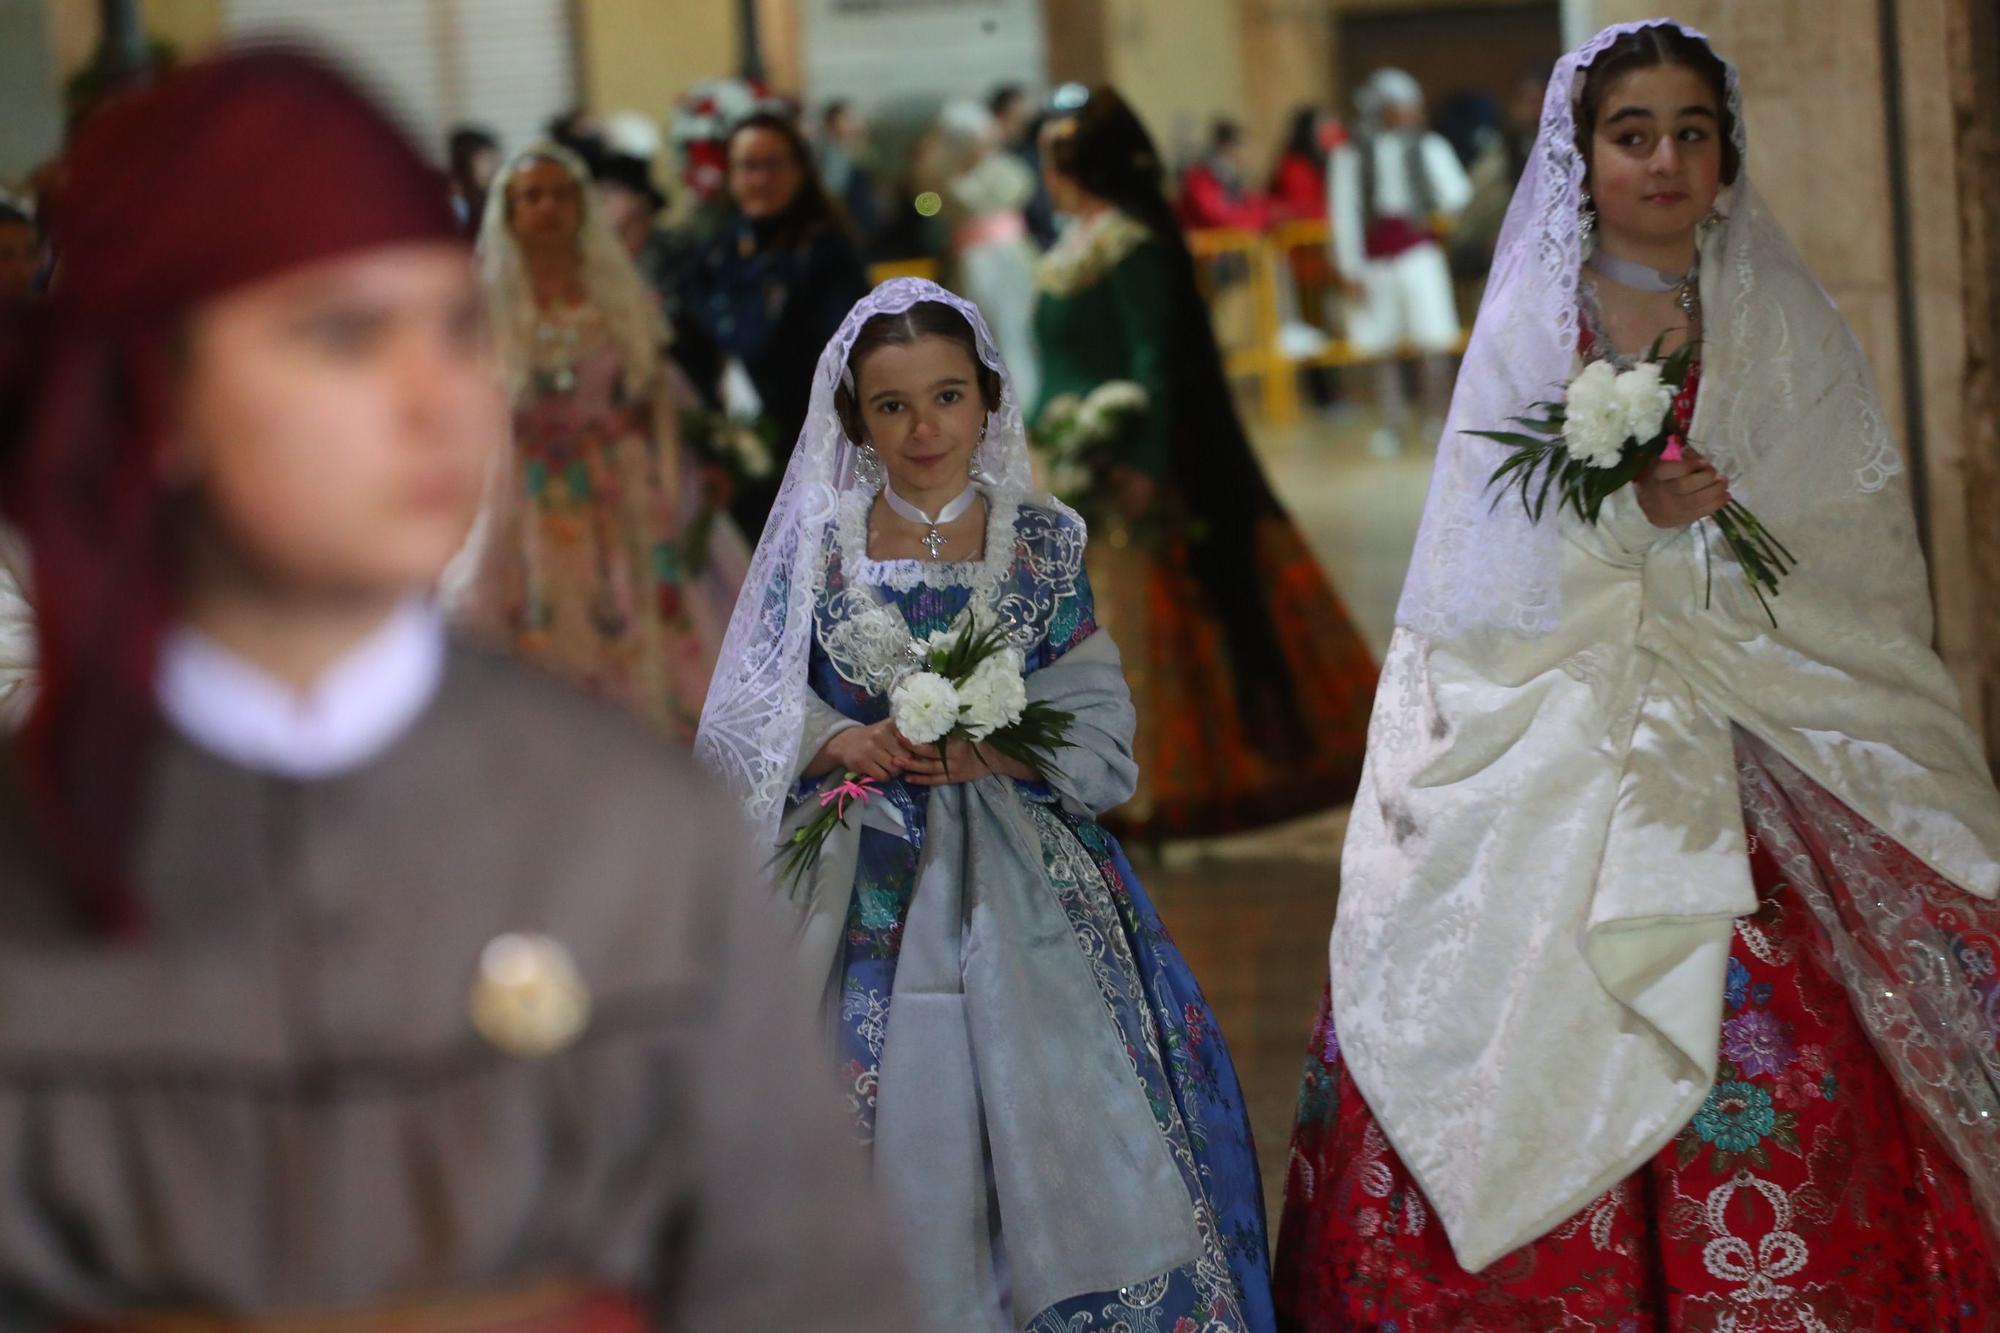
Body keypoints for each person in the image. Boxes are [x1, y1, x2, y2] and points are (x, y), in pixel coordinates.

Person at [0, 45, 912, 1330]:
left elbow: (803, 1289)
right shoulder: (33, 862)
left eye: (454, 331)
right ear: (160, 393)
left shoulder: (637, 830)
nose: (439, 403)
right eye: (344, 334)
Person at [1274, 22, 2000, 1328]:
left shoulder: (1778, 316)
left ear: (1725, 154)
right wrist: (1624, 523)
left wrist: (1718, 556)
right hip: (1574, 697)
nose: (1663, 160)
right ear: (1583, 154)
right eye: (1632, 135)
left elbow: (1846, 538)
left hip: (1769, 691)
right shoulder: (1532, 322)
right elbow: (1485, 564)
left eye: (1690, 132)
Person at [695, 277, 1275, 1332]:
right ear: (853, 419)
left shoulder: (1044, 539)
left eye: (948, 396)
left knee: (1055, 1086)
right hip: (861, 853)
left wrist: (996, 748)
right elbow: (752, 699)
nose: (925, 429)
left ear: (986, 399)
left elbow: (1092, 706)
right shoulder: (821, 544)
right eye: (893, 405)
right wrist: (842, 737)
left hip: (1022, 864)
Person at [1033, 88, 1376, 840]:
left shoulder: (1129, 243)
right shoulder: (1070, 245)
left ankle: (1156, 787)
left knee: (1149, 629)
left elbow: (1155, 358)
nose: (1048, 171)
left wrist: (1142, 456)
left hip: (1131, 469)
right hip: (1070, 461)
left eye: (1058, 156)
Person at [459, 143, 746, 743]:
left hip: (621, 482)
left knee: (639, 604)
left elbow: (659, 390)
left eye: (562, 195)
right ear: (508, 212)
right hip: (531, 489)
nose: (548, 209)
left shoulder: (617, 297)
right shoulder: (486, 308)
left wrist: (704, 453)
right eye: (531, 196)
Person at [676, 111, 869, 538]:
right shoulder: (715, 254)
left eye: (774, 164)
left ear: (800, 170)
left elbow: (849, 353)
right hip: (730, 457)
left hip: (810, 452)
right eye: (748, 166)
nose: (761, 178)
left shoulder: (825, 252)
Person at [1329, 68, 1473, 457]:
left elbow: (1458, 194)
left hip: (1418, 253)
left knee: (1433, 340)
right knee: (1382, 345)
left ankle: (1436, 420)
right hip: (1376, 260)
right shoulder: (1351, 154)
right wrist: (1349, 267)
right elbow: (1344, 213)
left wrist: (1439, 211)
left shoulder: (1429, 147)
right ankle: (1390, 425)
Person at [935, 98, 1041, 407]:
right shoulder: (953, 178)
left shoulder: (1003, 173)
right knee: (982, 336)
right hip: (975, 262)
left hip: (1004, 259)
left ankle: (1022, 404)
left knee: (1013, 331)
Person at [1452, 63, 1552, 285]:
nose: (1536, 112)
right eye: (1528, 101)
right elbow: (1465, 235)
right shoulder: (1496, 162)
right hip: (1511, 280)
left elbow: (1588, 215)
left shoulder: (1579, 157)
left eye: (1542, 101)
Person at [990, 83, 1058, 248]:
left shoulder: (1029, 151)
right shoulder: (996, 157)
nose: (1023, 123)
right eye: (1017, 117)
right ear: (1001, 115)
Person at [1176, 118, 1266, 232]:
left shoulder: (1234, 177)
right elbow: (1219, 220)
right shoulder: (1200, 177)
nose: (1251, 155)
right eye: (1246, 147)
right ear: (1228, 147)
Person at [815, 100, 882, 243]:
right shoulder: (835, 154)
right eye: (847, 119)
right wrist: (851, 230)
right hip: (853, 230)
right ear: (832, 125)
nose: (853, 124)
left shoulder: (849, 151)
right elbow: (834, 195)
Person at [446, 123, 500, 235]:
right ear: (466, 162)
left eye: (495, 159)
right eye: (487, 159)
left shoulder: (489, 194)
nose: (496, 166)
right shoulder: (454, 201)